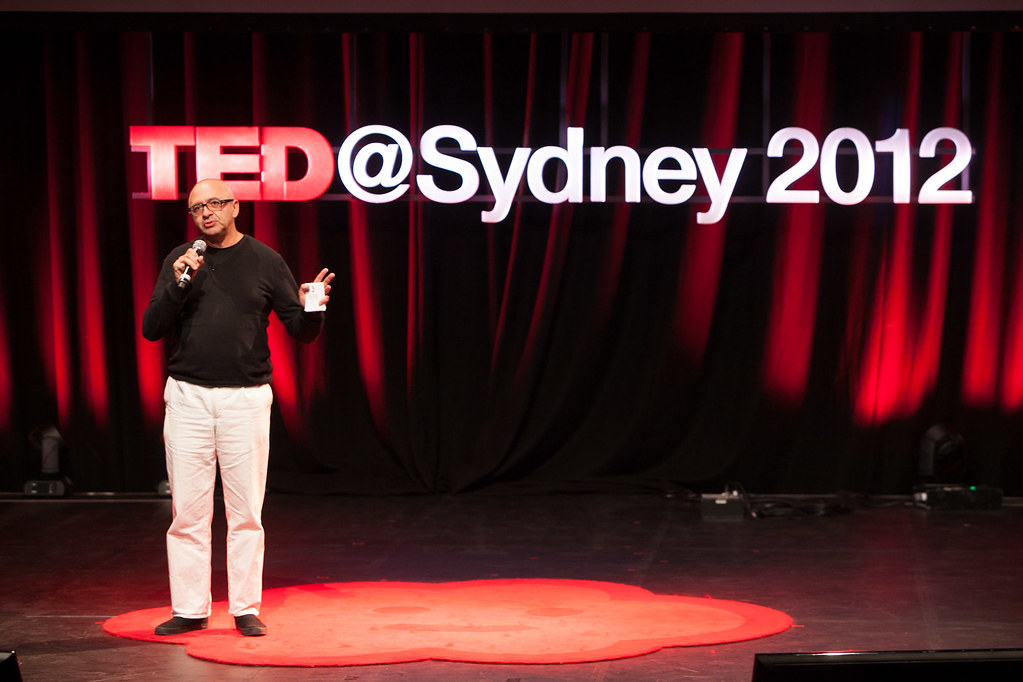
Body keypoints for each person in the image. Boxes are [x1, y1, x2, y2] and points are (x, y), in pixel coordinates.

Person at [142, 178, 334, 637]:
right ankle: (189, 609)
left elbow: (300, 330)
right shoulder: (182, 260)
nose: (205, 213)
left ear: (235, 207)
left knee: (245, 511)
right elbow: (152, 327)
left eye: (213, 204)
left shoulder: (265, 260)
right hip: (187, 397)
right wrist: (177, 284)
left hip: (244, 399)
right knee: (187, 512)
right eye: (195, 208)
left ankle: (245, 606)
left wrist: (313, 307)